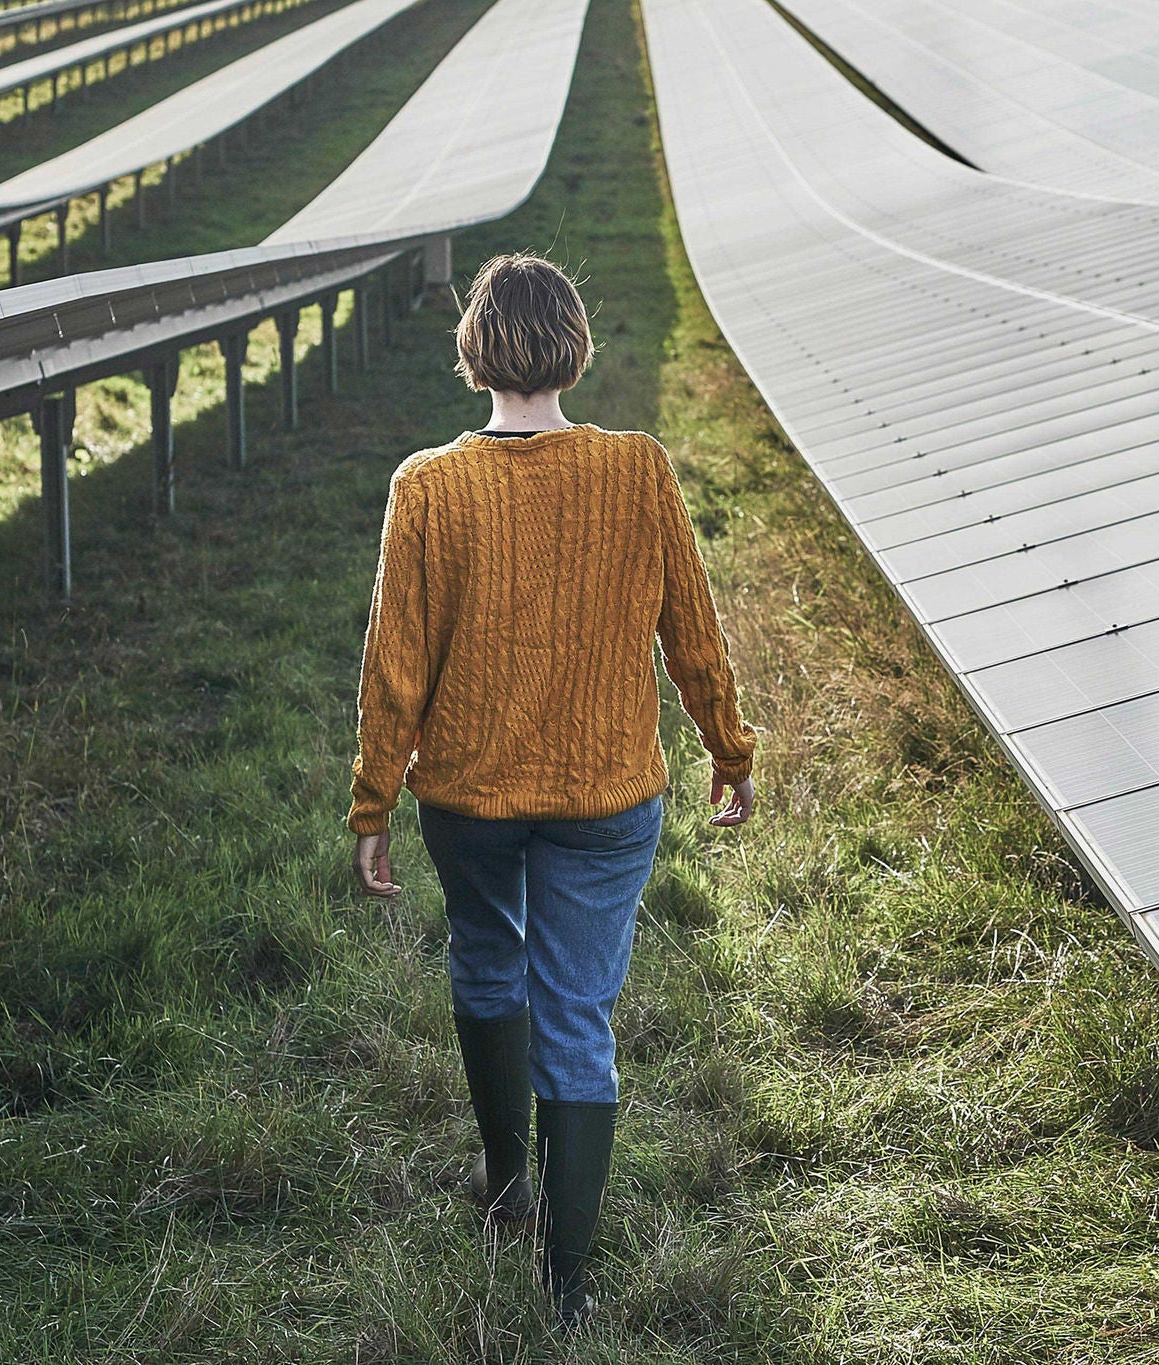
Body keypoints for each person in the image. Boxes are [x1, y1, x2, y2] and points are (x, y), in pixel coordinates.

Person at [346, 252, 757, 1331]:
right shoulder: (638, 469)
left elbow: (394, 664)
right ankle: (565, 1288)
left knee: (486, 959)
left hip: (470, 797)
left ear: (473, 351)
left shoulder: (426, 486)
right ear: (575, 345)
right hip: (606, 793)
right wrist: (728, 746)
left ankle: (504, 1180)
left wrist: (373, 803)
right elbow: (692, 633)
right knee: (577, 1014)